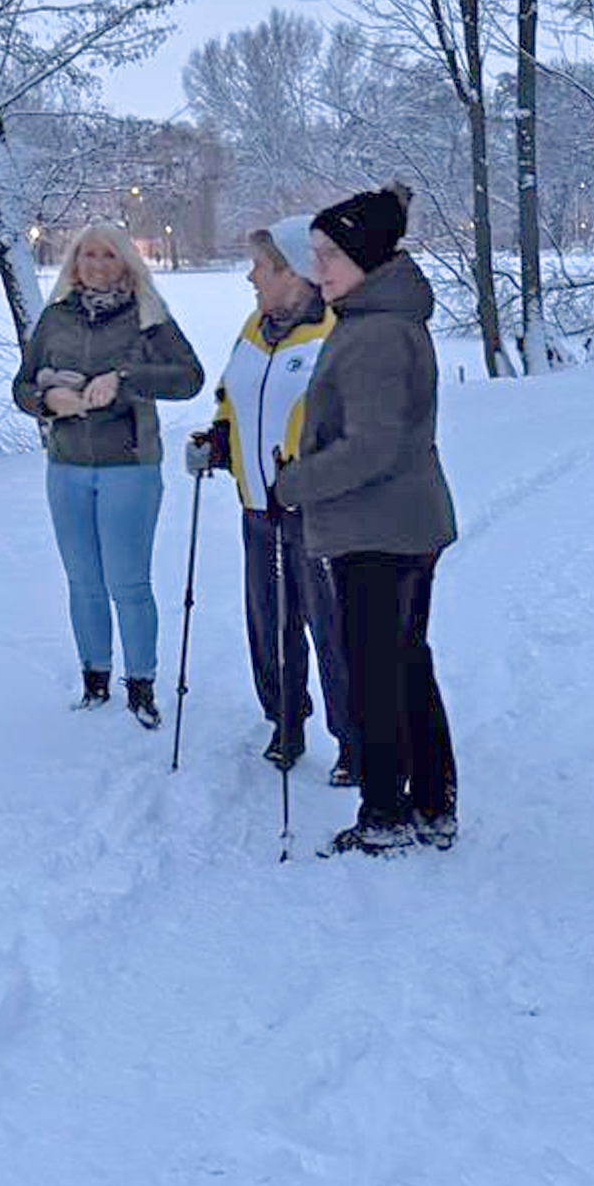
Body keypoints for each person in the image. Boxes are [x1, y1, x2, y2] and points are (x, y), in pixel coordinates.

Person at [275, 182, 459, 855]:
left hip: (379, 528)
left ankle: (386, 813)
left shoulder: (376, 333)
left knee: (378, 671)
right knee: (404, 662)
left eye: (329, 254)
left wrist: (295, 482)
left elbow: (371, 447)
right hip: (401, 522)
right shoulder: (377, 320)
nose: (317, 268)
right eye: (315, 254)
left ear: (365, 258)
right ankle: (431, 804)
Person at [185, 218, 358, 785]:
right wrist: (217, 441)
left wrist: (312, 472)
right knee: (268, 623)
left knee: (332, 627)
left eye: (260, 265)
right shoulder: (254, 330)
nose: (250, 276)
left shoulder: (335, 333)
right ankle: (286, 720)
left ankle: (354, 738)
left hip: (317, 511)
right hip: (258, 508)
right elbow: (233, 400)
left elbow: (351, 426)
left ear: (294, 272)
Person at [13, 221, 204, 729]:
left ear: (126, 262)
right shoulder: (55, 318)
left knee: (128, 582)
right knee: (83, 582)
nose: (97, 265)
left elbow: (190, 378)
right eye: (88, 255)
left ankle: (141, 686)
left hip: (129, 466)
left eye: (108, 255)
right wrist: (47, 398)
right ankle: (94, 680)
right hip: (67, 466)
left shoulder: (148, 317)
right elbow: (22, 385)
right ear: (74, 262)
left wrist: (124, 379)